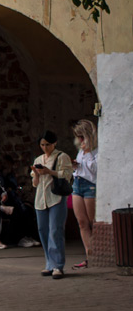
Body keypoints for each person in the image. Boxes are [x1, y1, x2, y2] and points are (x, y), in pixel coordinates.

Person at [30, 130, 76, 278]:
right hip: (40, 199)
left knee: (55, 230)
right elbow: (35, 184)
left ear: (54, 143)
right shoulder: (39, 158)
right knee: (43, 230)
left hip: (56, 197)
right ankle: (49, 263)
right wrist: (37, 174)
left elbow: (67, 175)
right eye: (42, 145)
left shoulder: (62, 157)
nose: (45, 147)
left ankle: (58, 265)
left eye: (47, 144)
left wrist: (50, 171)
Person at [69, 119, 99, 270]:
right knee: (82, 222)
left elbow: (95, 170)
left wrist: (87, 154)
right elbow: (82, 167)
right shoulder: (81, 150)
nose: (79, 140)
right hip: (77, 183)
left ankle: (97, 255)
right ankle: (89, 255)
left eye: (81, 136)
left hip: (90, 185)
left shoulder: (96, 150)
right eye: (77, 136)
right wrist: (75, 165)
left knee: (92, 221)